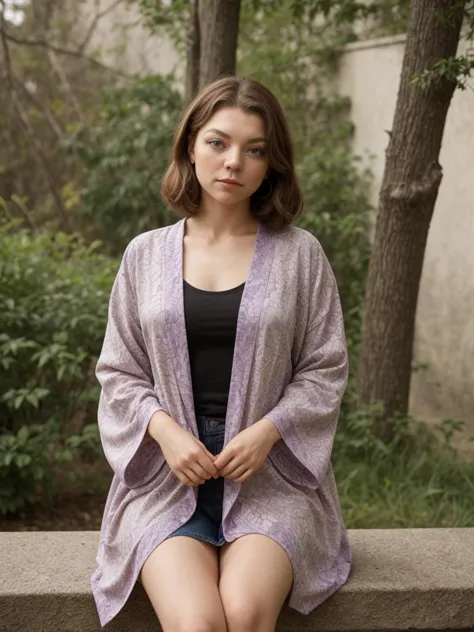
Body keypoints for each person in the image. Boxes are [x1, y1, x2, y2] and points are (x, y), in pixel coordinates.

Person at [91, 76, 352, 632]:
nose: (233, 162)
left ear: (271, 164)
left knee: (245, 613)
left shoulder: (299, 255)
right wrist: (165, 431)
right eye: (218, 142)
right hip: (167, 477)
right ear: (191, 145)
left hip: (271, 477)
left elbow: (324, 367)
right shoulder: (145, 255)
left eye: (254, 149)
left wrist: (269, 431)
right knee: (198, 624)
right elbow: (118, 370)